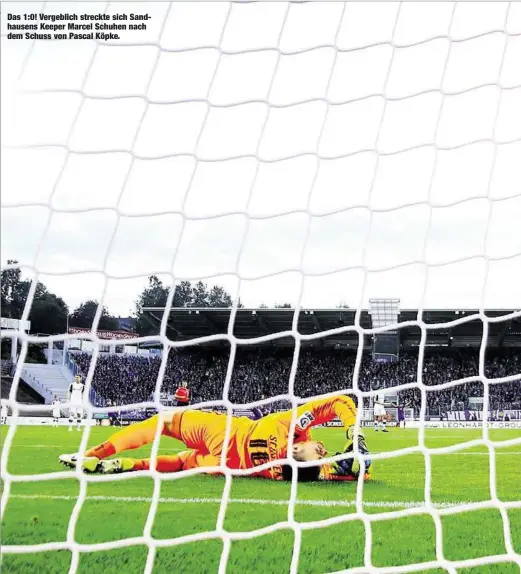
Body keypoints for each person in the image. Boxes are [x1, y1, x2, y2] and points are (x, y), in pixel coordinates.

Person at [59, 395, 372, 482]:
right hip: (226, 464)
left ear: (296, 448)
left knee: (165, 421)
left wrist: (353, 432)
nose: (322, 447)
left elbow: (340, 403)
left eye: (319, 451)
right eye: (323, 451)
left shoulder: (288, 426)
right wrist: (358, 467)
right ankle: (128, 464)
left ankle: (95, 452)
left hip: (225, 432)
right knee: (182, 464)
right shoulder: (285, 472)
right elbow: (347, 473)